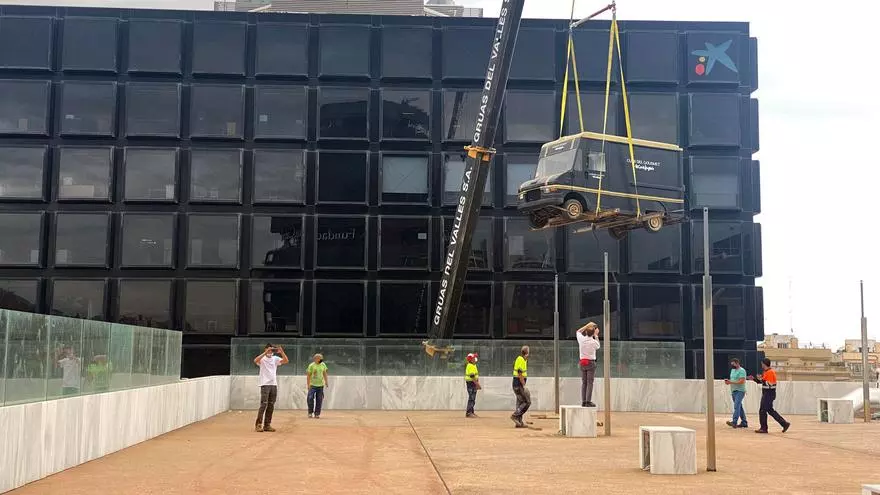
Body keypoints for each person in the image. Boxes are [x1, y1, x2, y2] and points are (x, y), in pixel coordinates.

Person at [748, 358, 790, 434]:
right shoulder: (766, 372)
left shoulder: (770, 372)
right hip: (767, 394)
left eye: (762, 364)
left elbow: (770, 384)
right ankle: (784, 424)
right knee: (770, 410)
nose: (761, 365)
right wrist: (755, 379)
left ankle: (764, 428)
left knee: (763, 410)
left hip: (769, 394)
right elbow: (762, 382)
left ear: (764, 364)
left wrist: (761, 379)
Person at [254, 344, 289, 432]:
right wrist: (265, 352)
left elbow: (286, 361)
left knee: (271, 405)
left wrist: (281, 352)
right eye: (268, 350)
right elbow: (255, 360)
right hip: (265, 384)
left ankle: (267, 425)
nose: (270, 351)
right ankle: (258, 424)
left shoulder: (275, 358)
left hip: (273, 384)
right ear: (265, 349)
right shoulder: (262, 358)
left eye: (271, 350)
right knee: (263, 404)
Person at [576, 322, 601, 407]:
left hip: (582, 362)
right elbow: (598, 346)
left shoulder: (581, 339)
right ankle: (588, 401)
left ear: (586, 332)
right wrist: (596, 335)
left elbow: (578, 331)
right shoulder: (593, 342)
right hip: (591, 363)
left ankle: (583, 401)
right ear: (593, 332)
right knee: (590, 383)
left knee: (584, 382)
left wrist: (587, 325)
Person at [724, 358, 748, 428]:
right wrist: (728, 381)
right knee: (739, 406)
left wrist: (731, 382)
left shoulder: (742, 370)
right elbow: (733, 379)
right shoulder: (732, 370)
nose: (732, 366)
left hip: (740, 391)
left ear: (737, 363)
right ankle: (744, 422)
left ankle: (734, 421)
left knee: (736, 406)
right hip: (733, 391)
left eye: (733, 364)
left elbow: (742, 381)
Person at [510, 346, 530, 428]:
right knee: (527, 402)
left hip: (517, 384)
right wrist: (524, 385)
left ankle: (519, 422)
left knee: (520, 402)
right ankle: (515, 416)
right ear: (527, 352)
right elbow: (520, 373)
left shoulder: (522, 360)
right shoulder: (520, 360)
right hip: (518, 384)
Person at [307, 353, 329, 419]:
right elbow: (308, 375)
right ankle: (310, 412)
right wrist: (308, 385)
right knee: (310, 398)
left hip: (320, 385)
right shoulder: (311, 365)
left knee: (319, 399)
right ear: (316, 359)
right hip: (312, 385)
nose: (321, 360)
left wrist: (326, 382)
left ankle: (317, 413)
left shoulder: (323, 365)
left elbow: (325, 373)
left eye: (322, 358)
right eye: (320, 358)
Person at [465, 353, 481, 418]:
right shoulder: (470, 366)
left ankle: (471, 412)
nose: (475, 359)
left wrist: (477, 383)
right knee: (471, 398)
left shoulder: (473, 365)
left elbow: (475, 375)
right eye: (474, 358)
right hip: (471, 383)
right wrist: (477, 384)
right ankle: (469, 413)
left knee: (473, 398)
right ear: (471, 359)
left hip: (473, 383)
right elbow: (472, 376)